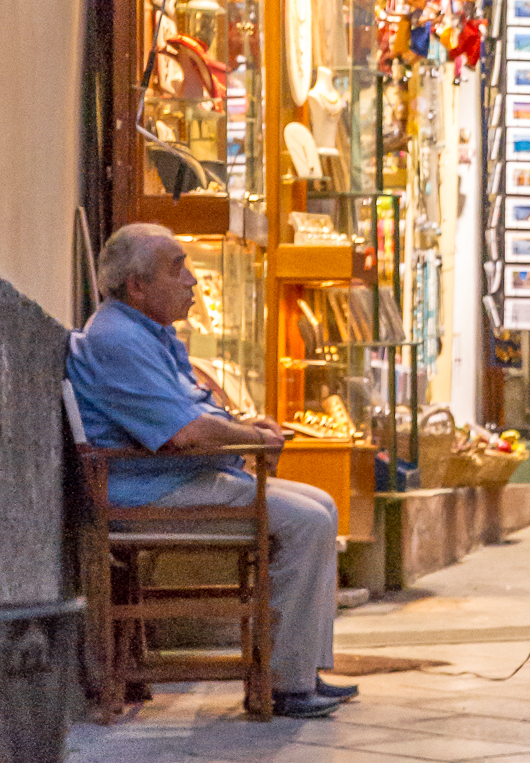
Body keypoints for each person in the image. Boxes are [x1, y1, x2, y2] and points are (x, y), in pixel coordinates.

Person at [67, 223, 357, 721]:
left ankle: (301, 668)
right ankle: (287, 685)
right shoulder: (118, 339)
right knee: (306, 522)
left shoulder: (144, 333)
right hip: (149, 494)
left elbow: (193, 414)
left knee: (322, 505)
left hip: (175, 480)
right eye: (177, 269)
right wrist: (252, 438)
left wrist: (245, 427)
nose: (192, 282)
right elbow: (186, 433)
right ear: (137, 285)